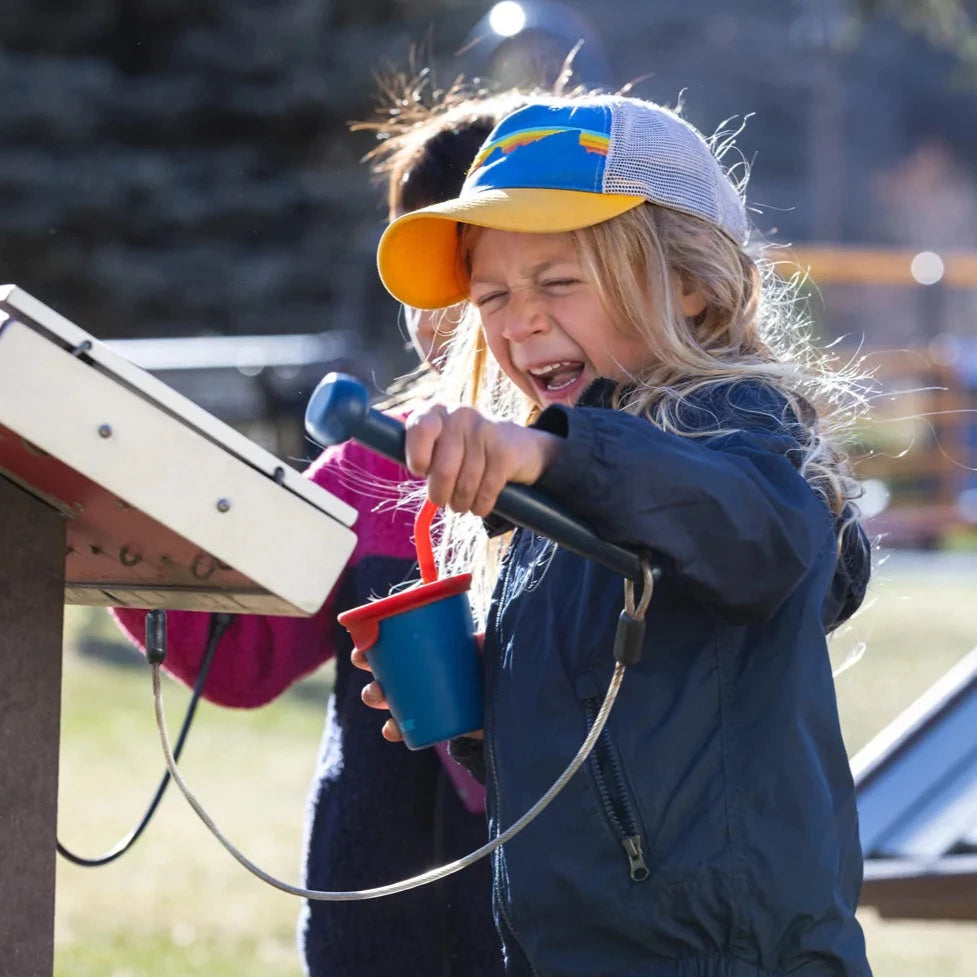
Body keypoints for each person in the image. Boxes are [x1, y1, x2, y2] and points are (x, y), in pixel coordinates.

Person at [361, 93, 874, 976]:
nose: (518, 319)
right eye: (492, 295)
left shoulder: (728, 427)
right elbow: (623, 722)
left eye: (558, 281)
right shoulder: (560, 476)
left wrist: (551, 456)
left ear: (691, 281)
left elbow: (756, 536)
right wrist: (485, 698)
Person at [111, 85, 525, 977]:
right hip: (372, 906)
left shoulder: (606, 461)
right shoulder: (362, 469)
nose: (437, 311)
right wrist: (135, 548)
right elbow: (242, 656)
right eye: (414, 275)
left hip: (547, 916)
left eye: (470, 274)